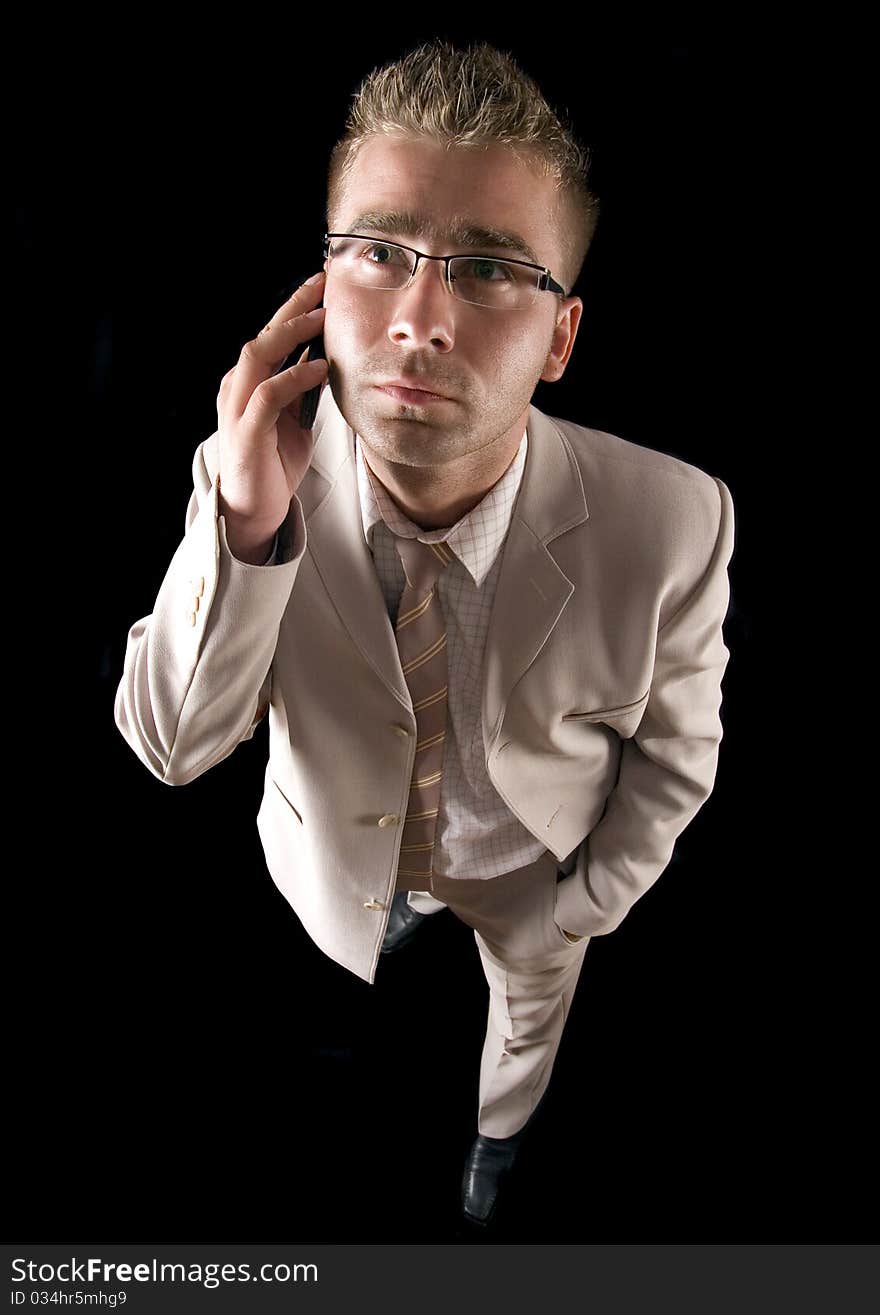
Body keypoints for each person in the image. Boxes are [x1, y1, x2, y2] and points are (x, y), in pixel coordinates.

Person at [114, 39, 735, 1228]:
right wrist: (244, 522)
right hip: (323, 881)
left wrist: (582, 904)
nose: (420, 319)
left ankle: (492, 1162)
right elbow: (173, 747)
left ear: (560, 340)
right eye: (382, 254)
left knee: (516, 1057)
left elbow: (675, 757)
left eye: (490, 269)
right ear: (322, 282)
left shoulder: (676, 520)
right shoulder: (251, 477)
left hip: (526, 884)